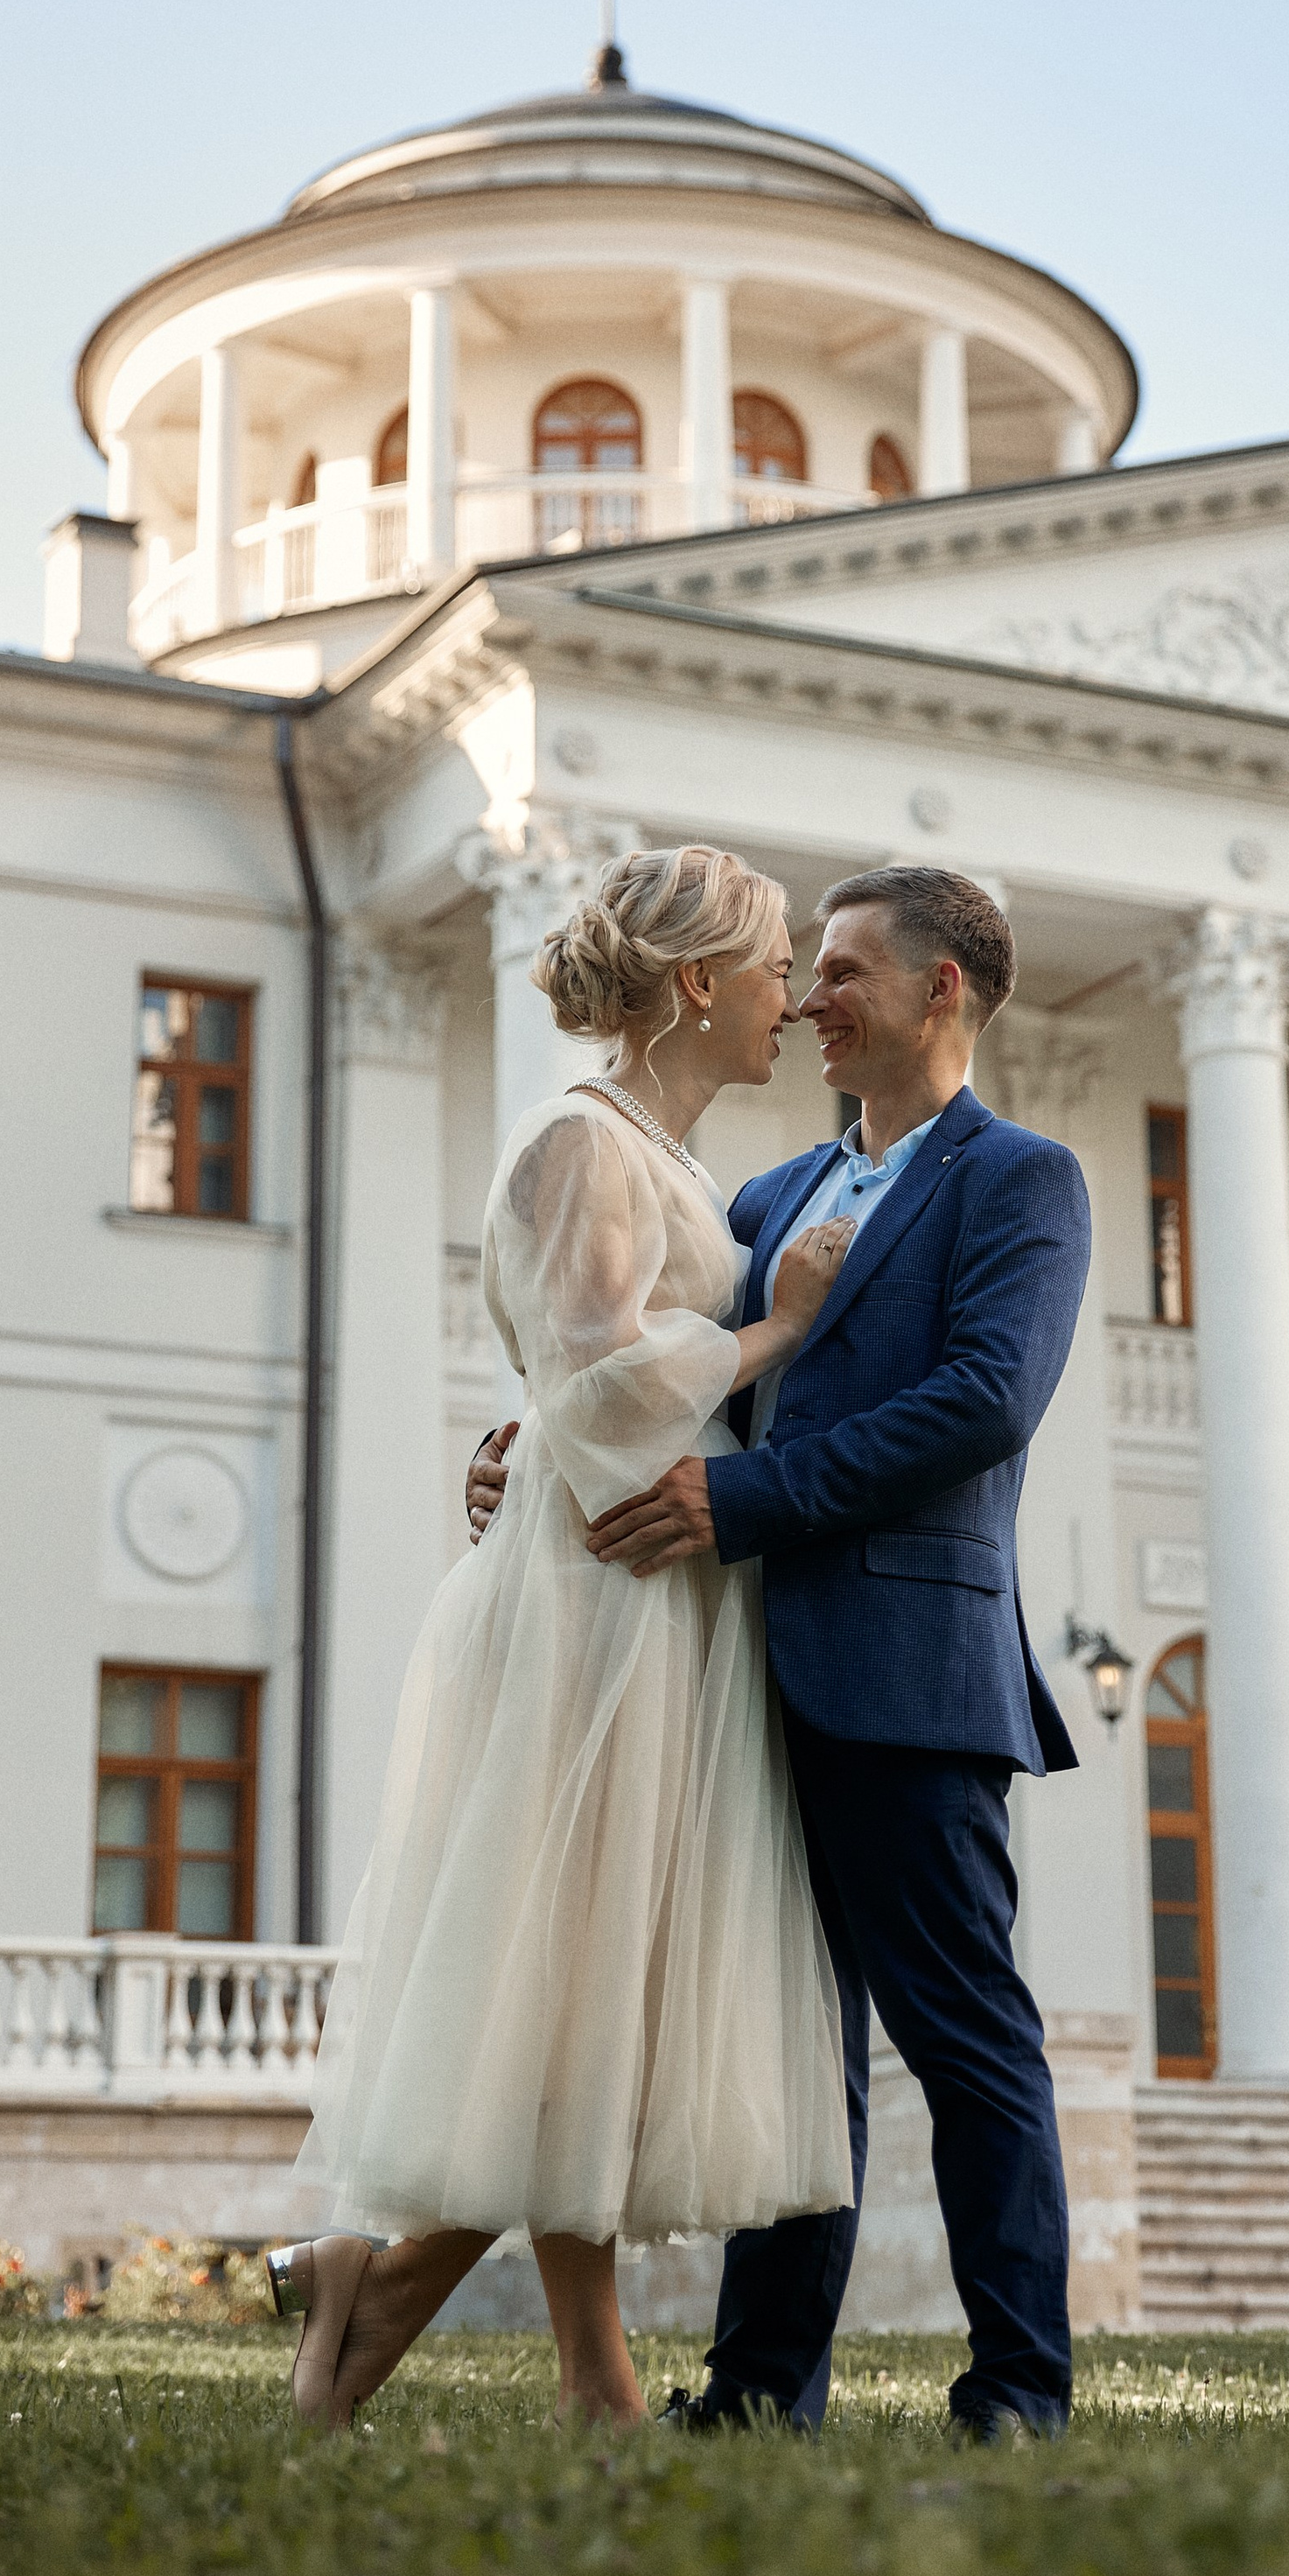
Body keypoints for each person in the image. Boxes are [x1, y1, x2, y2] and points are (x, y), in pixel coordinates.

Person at [468, 864, 1091, 2440]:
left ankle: (1019, 2387)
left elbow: (980, 1404)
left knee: (966, 2042)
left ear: (941, 991)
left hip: (906, 1672)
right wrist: (525, 1448)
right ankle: (757, 2393)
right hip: (736, 1679)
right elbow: (677, 1380)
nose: (811, 995)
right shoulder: (766, 1198)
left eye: (847, 970)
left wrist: (743, 1497)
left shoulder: (1026, 1182)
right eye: (804, 970)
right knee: (788, 2048)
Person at [269, 845, 858, 2432]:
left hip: (661, 1598)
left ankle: (538, 2364)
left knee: (599, 1981)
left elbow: (568, 1385)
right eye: (773, 963)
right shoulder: (574, 1140)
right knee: (570, 1974)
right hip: (600, 1601)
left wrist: (538, 1428)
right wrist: (774, 1328)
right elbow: (594, 1392)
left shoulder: (661, 1158)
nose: (791, 994)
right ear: (694, 986)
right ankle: (487, 2346)